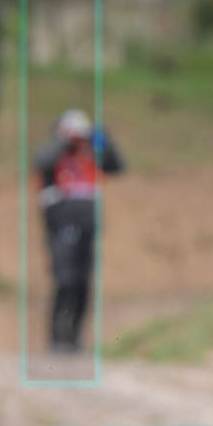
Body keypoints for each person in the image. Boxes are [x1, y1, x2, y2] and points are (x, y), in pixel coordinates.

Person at [32, 110, 123, 353]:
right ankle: (56, 337)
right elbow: (41, 161)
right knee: (65, 280)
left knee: (83, 283)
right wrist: (65, 141)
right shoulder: (54, 154)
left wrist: (103, 139)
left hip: (87, 225)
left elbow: (117, 166)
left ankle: (74, 338)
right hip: (61, 224)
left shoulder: (90, 154)